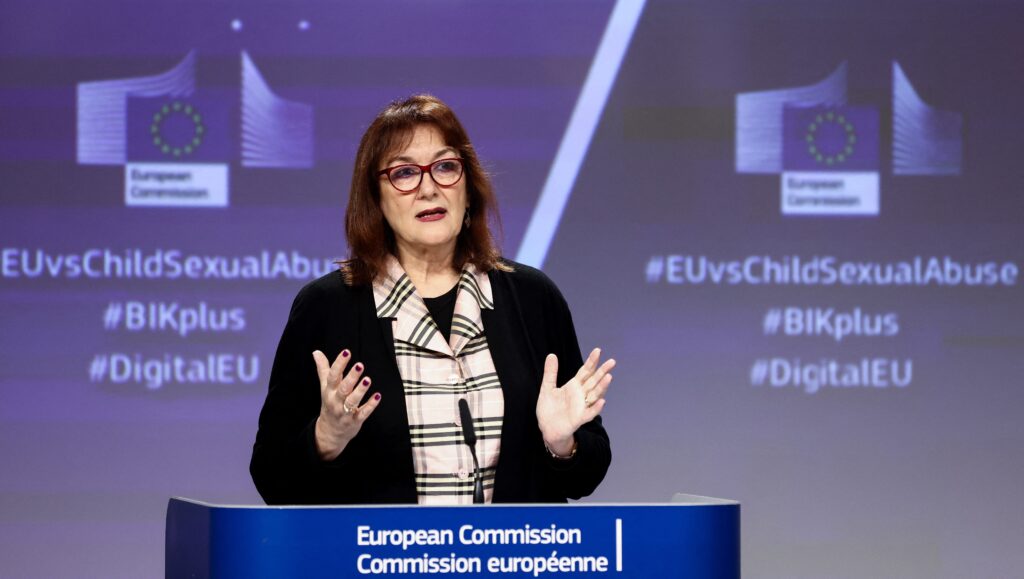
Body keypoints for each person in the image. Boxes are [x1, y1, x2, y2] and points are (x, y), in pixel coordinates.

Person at [250, 94, 613, 505]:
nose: (428, 188)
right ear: (377, 201)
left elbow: (585, 474)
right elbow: (271, 477)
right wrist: (326, 439)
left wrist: (562, 444)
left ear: (469, 188)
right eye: (404, 173)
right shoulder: (327, 307)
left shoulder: (532, 298)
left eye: (445, 167)